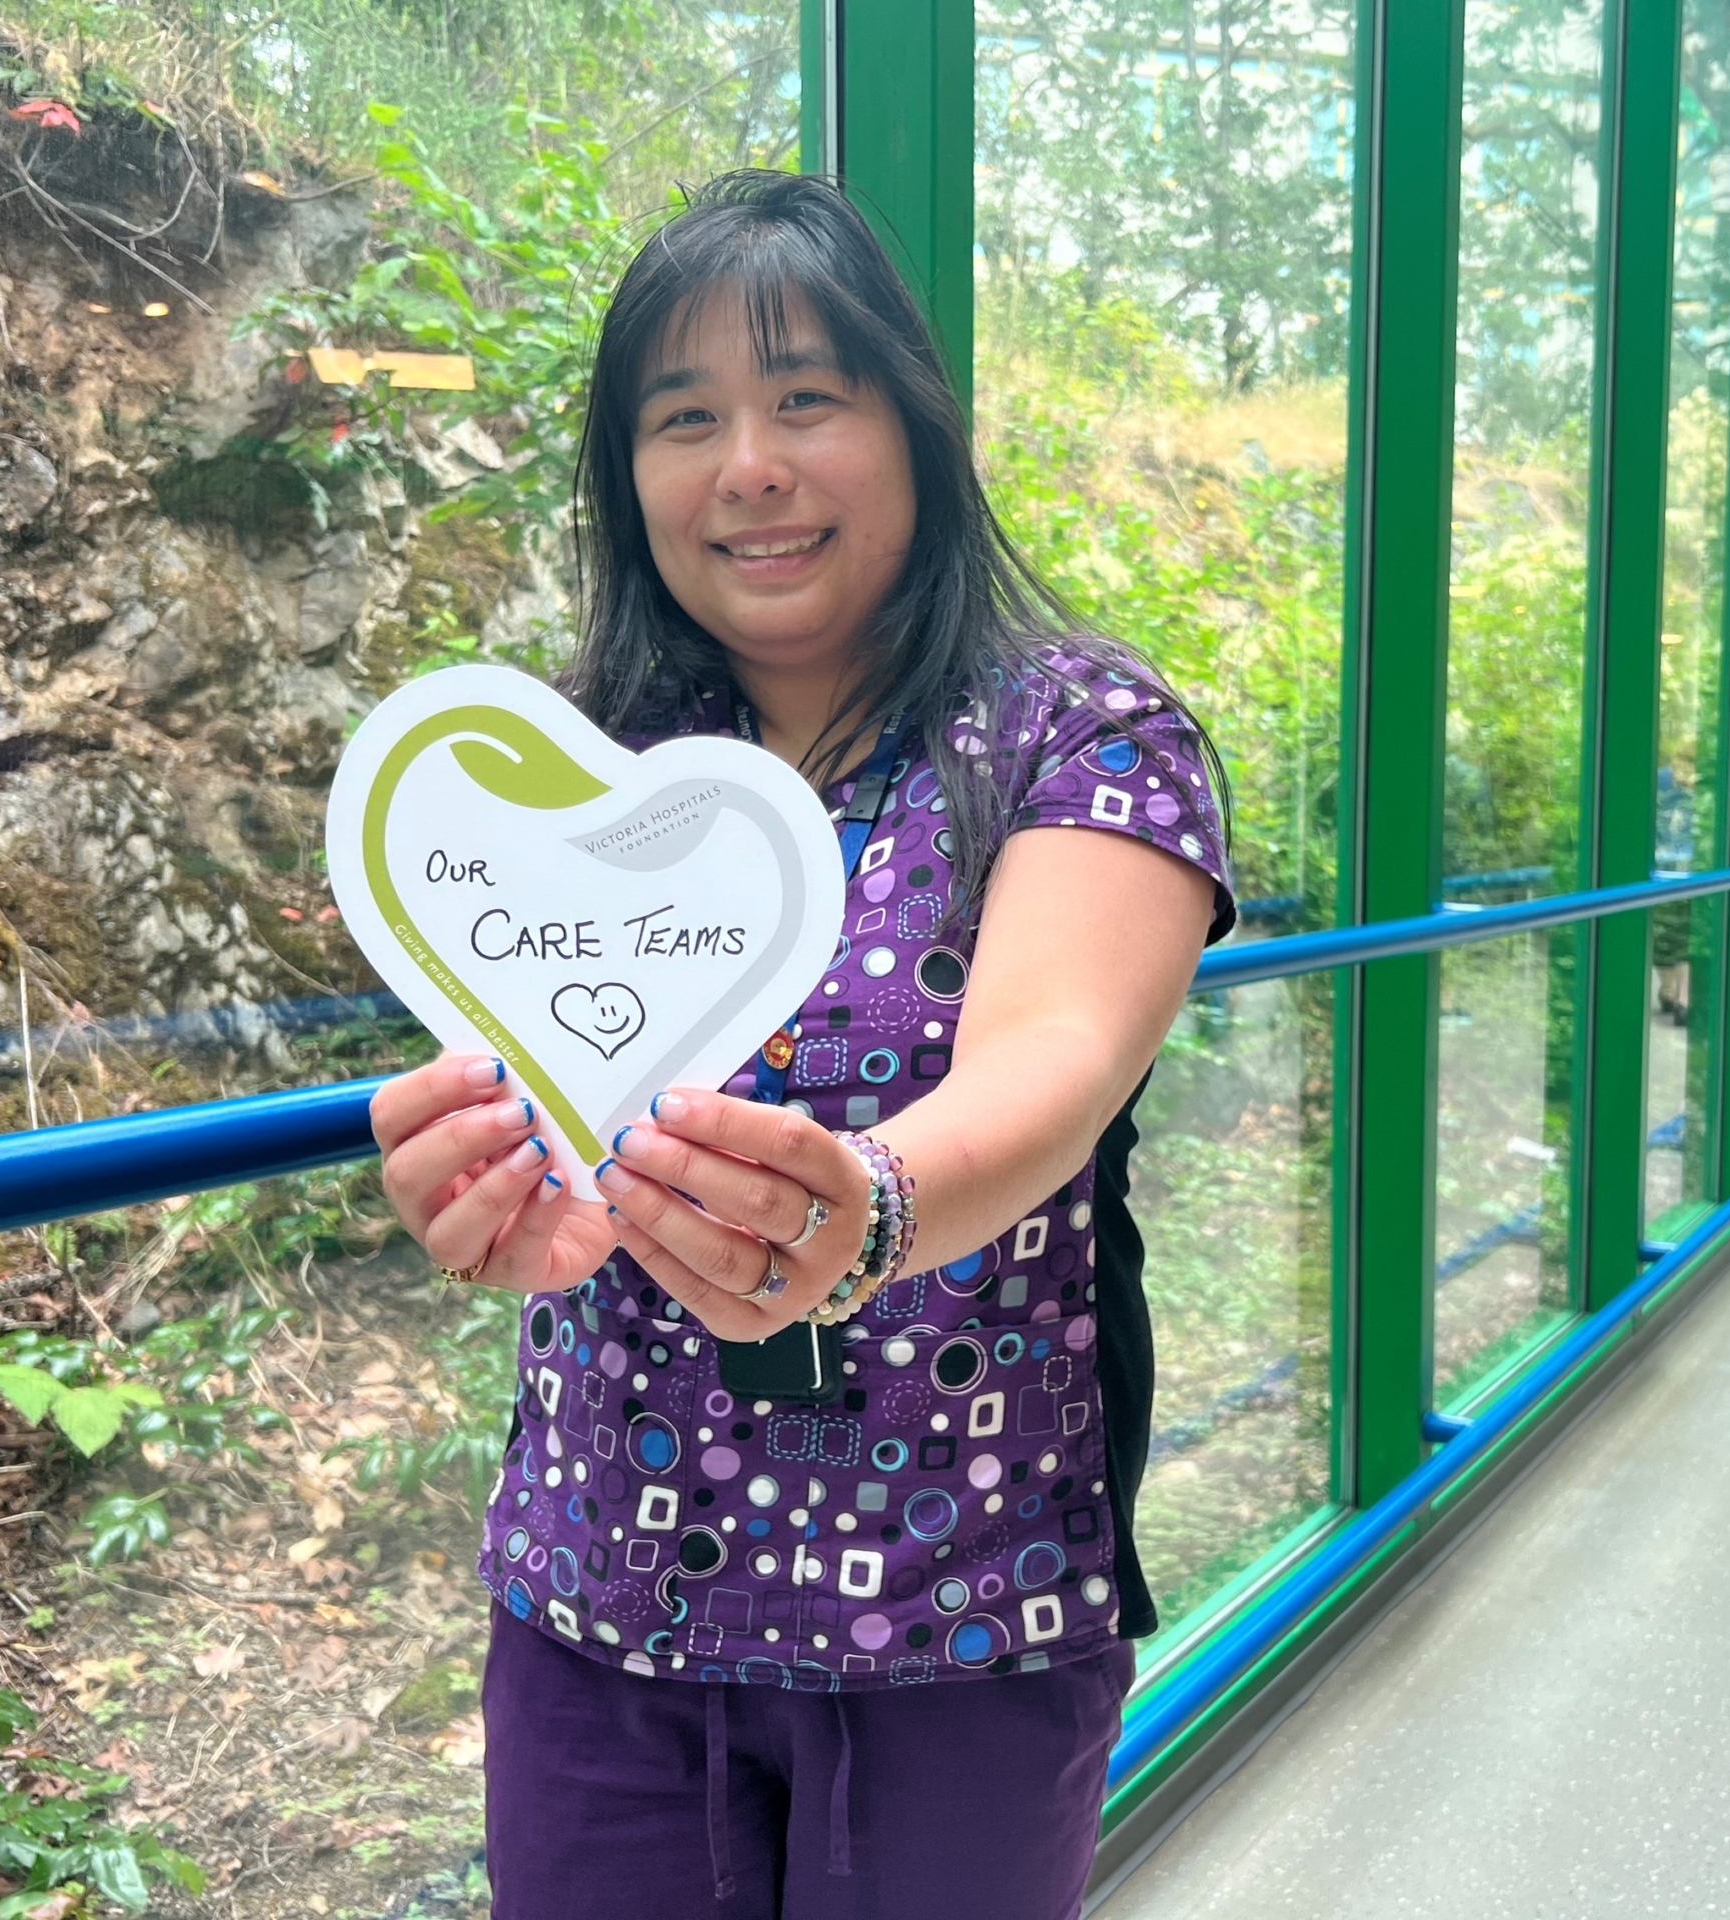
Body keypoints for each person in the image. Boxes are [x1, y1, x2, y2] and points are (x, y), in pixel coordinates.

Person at [368, 170, 1235, 1920]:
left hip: (956, 1614)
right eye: (683, 419)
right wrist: (482, 1181)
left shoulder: (1080, 729)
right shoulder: (581, 767)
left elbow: (1055, 1057)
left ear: (917, 427)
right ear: (632, 479)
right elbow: (537, 1111)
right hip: (597, 1608)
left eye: (805, 399)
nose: (745, 465)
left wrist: (878, 1206)